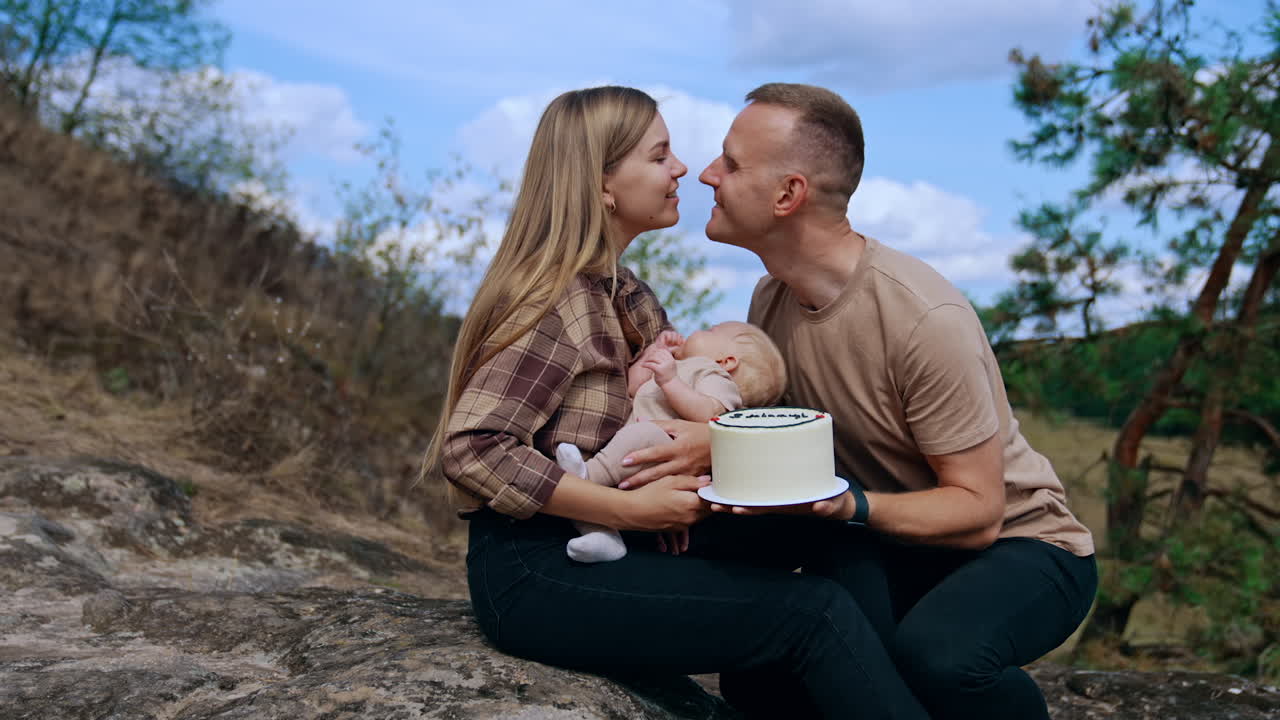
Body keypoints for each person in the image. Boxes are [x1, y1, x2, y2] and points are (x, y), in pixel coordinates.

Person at [424, 85, 930, 720]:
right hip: (542, 570)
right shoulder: (552, 301)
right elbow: (473, 450)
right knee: (810, 614)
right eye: (659, 156)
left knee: (833, 530)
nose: (683, 169)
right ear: (603, 183)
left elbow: (658, 414)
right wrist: (631, 511)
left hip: (625, 540)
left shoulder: (626, 294)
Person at [621, 83, 1099, 720]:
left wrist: (852, 504)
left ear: (789, 195)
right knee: (774, 657)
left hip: (1021, 546)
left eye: (731, 164)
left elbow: (980, 509)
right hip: (872, 535)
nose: (706, 173)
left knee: (937, 659)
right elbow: (797, 442)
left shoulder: (924, 318)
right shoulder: (772, 300)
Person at [556, 320, 786, 562]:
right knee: (600, 496)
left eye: (710, 331)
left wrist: (669, 380)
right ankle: (601, 536)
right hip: (630, 454)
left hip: (660, 448)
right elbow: (633, 387)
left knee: (640, 436)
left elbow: (710, 414)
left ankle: (583, 478)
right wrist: (653, 352)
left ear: (727, 361)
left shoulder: (711, 373)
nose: (698, 329)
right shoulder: (678, 366)